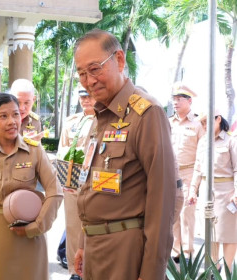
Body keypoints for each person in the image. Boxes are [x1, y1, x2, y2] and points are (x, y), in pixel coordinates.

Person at [73, 29, 176, 280]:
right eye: (82, 73)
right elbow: (91, 185)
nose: (89, 81)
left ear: (119, 60)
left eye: (95, 69)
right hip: (95, 248)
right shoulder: (102, 115)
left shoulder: (146, 114)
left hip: (125, 250)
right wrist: (83, 242)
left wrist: (152, 272)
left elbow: (162, 202)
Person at [0, 92, 63, 280]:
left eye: (16, 114)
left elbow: (55, 191)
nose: (12, 121)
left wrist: (37, 226)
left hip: (31, 232)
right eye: (3, 116)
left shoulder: (34, 150)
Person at [188, 110, 237, 272]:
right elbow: (197, 169)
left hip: (226, 194)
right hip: (206, 192)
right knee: (211, 233)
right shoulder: (202, 142)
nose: (204, 126)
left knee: (228, 233)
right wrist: (193, 190)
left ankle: (227, 271)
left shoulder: (231, 140)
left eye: (207, 121)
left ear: (218, 119)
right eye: (202, 123)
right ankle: (214, 270)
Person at [56, 87, 96, 280]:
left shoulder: (104, 120)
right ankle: (74, 271)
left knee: (92, 227)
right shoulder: (71, 121)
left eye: (89, 96)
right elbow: (61, 150)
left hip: (94, 183)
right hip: (72, 182)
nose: (86, 100)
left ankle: (90, 270)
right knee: (73, 226)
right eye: (83, 97)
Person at [169, 82, 205, 262]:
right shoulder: (169, 123)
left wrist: (196, 182)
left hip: (189, 173)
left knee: (187, 215)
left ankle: (188, 252)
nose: (175, 103)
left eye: (179, 99)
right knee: (174, 213)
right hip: (171, 174)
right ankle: (176, 251)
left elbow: (202, 152)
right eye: (174, 99)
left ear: (189, 101)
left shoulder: (198, 124)